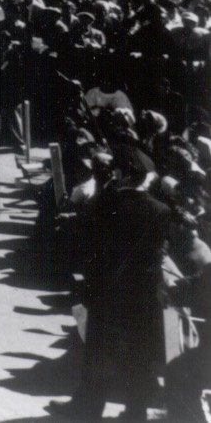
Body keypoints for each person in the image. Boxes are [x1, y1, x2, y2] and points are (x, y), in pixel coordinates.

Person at [56, 138, 178, 420]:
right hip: (141, 297)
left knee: (99, 354)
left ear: (122, 174)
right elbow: (158, 255)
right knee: (138, 358)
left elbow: (87, 246)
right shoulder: (161, 211)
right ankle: (135, 412)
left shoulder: (104, 203)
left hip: (105, 293)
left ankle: (89, 410)